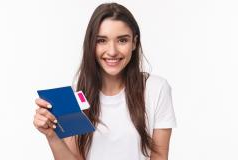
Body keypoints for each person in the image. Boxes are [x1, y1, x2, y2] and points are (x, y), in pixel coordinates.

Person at [33, 2, 177, 160]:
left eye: (122, 40)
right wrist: (52, 135)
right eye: (102, 40)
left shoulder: (156, 89)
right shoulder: (74, 97)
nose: (112, 51)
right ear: (91, 44)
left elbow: (159, 156)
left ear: (134, 43)